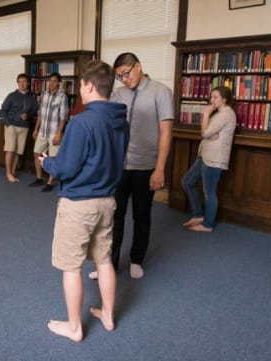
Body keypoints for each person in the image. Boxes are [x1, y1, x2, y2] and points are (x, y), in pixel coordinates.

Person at [41, 60, 129, 342]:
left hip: (79, 203)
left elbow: (66, 168)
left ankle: (75, 327)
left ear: (89, 86)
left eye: (79, 84)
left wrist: (48, 163)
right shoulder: (121, 121)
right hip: (108, 201)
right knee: (104, 261)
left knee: (72, 266)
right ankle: (108, 314)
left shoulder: (81, 122)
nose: (79, 89)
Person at [89, 52, 174, 280]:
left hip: (146, 166)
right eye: (119, 76)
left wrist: (160, 168)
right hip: (119, 166)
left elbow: (166, 133)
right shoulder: (118, 93)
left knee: (141, 215)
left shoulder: (161, 92)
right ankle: (109, 265)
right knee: (114, 216)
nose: (124, 79)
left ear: (138, 66)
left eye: (126, 73)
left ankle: (137, 259)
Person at [181, 86, 236, 232]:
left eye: (215, 97)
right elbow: (206, 133)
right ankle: (198, 215)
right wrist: (208, 133)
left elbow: (204, 132)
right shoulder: (218, 114)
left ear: (224, 99)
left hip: (214, 158)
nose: (211, 100)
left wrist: (205, 115)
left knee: (209, 192)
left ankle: (208, 225)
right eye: (211, 97)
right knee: (187, 181)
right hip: (205, 155)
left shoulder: (227, 114)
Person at [29, 72, 69, 192]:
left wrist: (58, 134)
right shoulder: (43, 94)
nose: (51, 83)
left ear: (59, 83)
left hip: (54, 133)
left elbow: (63, 117)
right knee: (36, 153)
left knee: (52, 158)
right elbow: (40, 114)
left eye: (54, 81)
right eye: (50, 80)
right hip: (42, 131)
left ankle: (50, 183)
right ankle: (39, 178)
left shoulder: (63, 97)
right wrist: (36, 129)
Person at [0, 73, 38, 183]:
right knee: (10, 150)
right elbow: (3, 111)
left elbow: (34, 111)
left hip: (24, 127)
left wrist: (28, 115)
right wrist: (8, 124)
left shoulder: (32, 97)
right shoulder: (11, 96)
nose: (21, 83)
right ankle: (8, 174)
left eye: (24, 81)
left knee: (17, 152)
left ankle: (12, 172)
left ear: (28, 83)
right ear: (17, 83)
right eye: (19, 81)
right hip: (11, 126)